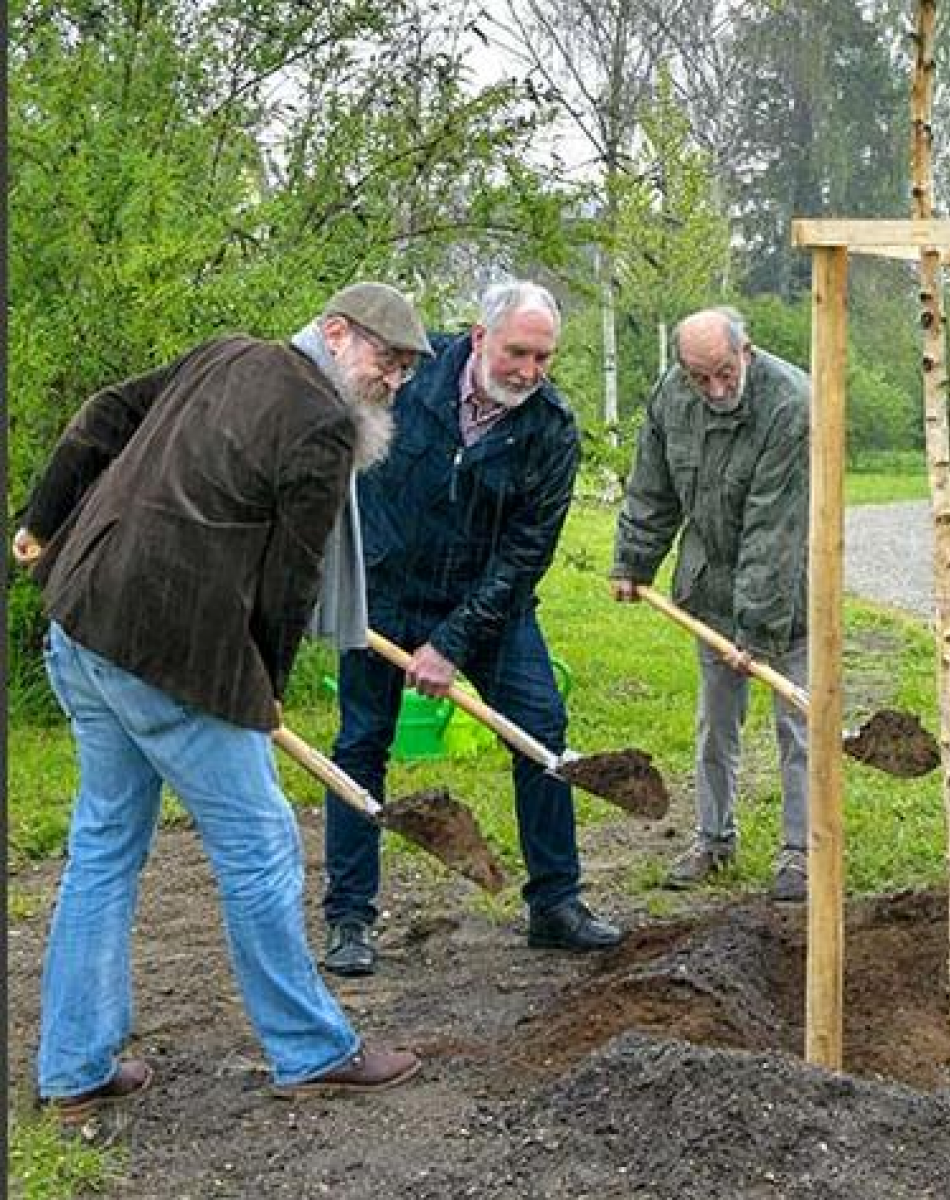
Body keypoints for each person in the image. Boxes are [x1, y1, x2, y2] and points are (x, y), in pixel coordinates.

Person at [13, 283, 432, 1117]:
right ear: (338, 334)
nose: (393, 384)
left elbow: (104, 413)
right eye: (387, 363)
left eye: (408, 372)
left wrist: (43, 519)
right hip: (166, 652)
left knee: (104, 842)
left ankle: (74, 1068)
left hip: (82, 617)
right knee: (261, 844)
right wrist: (266, 694)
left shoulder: (226, 352)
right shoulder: (322, 424)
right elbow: (291, 580)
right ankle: (313, 1049)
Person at [321, 280, 621, 976]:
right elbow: (338, 472)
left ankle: (555, 904)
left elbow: (525, 553)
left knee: (542, 731)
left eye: (543, 357)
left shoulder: (549, 427)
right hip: (384, 597)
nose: (529, 370)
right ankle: (349, 918)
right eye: (518, 351)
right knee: (359, 744)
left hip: (490, 606)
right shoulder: (408, 381)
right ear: (480, 337)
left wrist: (452, 642)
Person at [609, 308, 811, 902]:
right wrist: (633, 560)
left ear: (747, 351)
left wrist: (756, 630)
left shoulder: (788, 404)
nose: (716, 390)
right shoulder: (672, 395)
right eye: (701, 378)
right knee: (715, 724)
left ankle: (800, 851)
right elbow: (652, 486)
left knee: (796, 725)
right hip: (710, 592)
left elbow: (772, 527)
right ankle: (713, 839)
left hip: (791, 592)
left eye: (725, 372)